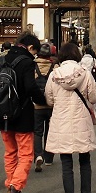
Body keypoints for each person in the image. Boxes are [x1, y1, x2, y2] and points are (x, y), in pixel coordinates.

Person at [0, 32, 46, 193]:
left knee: (10, 152)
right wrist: (43, 99)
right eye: (35, 52)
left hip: (2, 116)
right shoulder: (27, 63)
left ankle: (12, 187)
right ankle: (14, 190)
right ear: (30, 47)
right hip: (23, 115)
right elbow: (31, 88)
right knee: (26, 154)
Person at [45, 42, 96, 193]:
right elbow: (94, 97)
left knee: (66, 163)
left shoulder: (54, 75)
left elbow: (49, 99)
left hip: (61, 121)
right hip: (81, 120)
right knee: (84, 160)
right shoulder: (84, 73)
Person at [33, 43, 55, 172]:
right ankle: (49, 157)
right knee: (50, 130)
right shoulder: (55, 67)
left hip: (37, 104)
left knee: (37, 131)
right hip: (51, 104)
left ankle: (38, 155)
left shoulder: (33, 66)